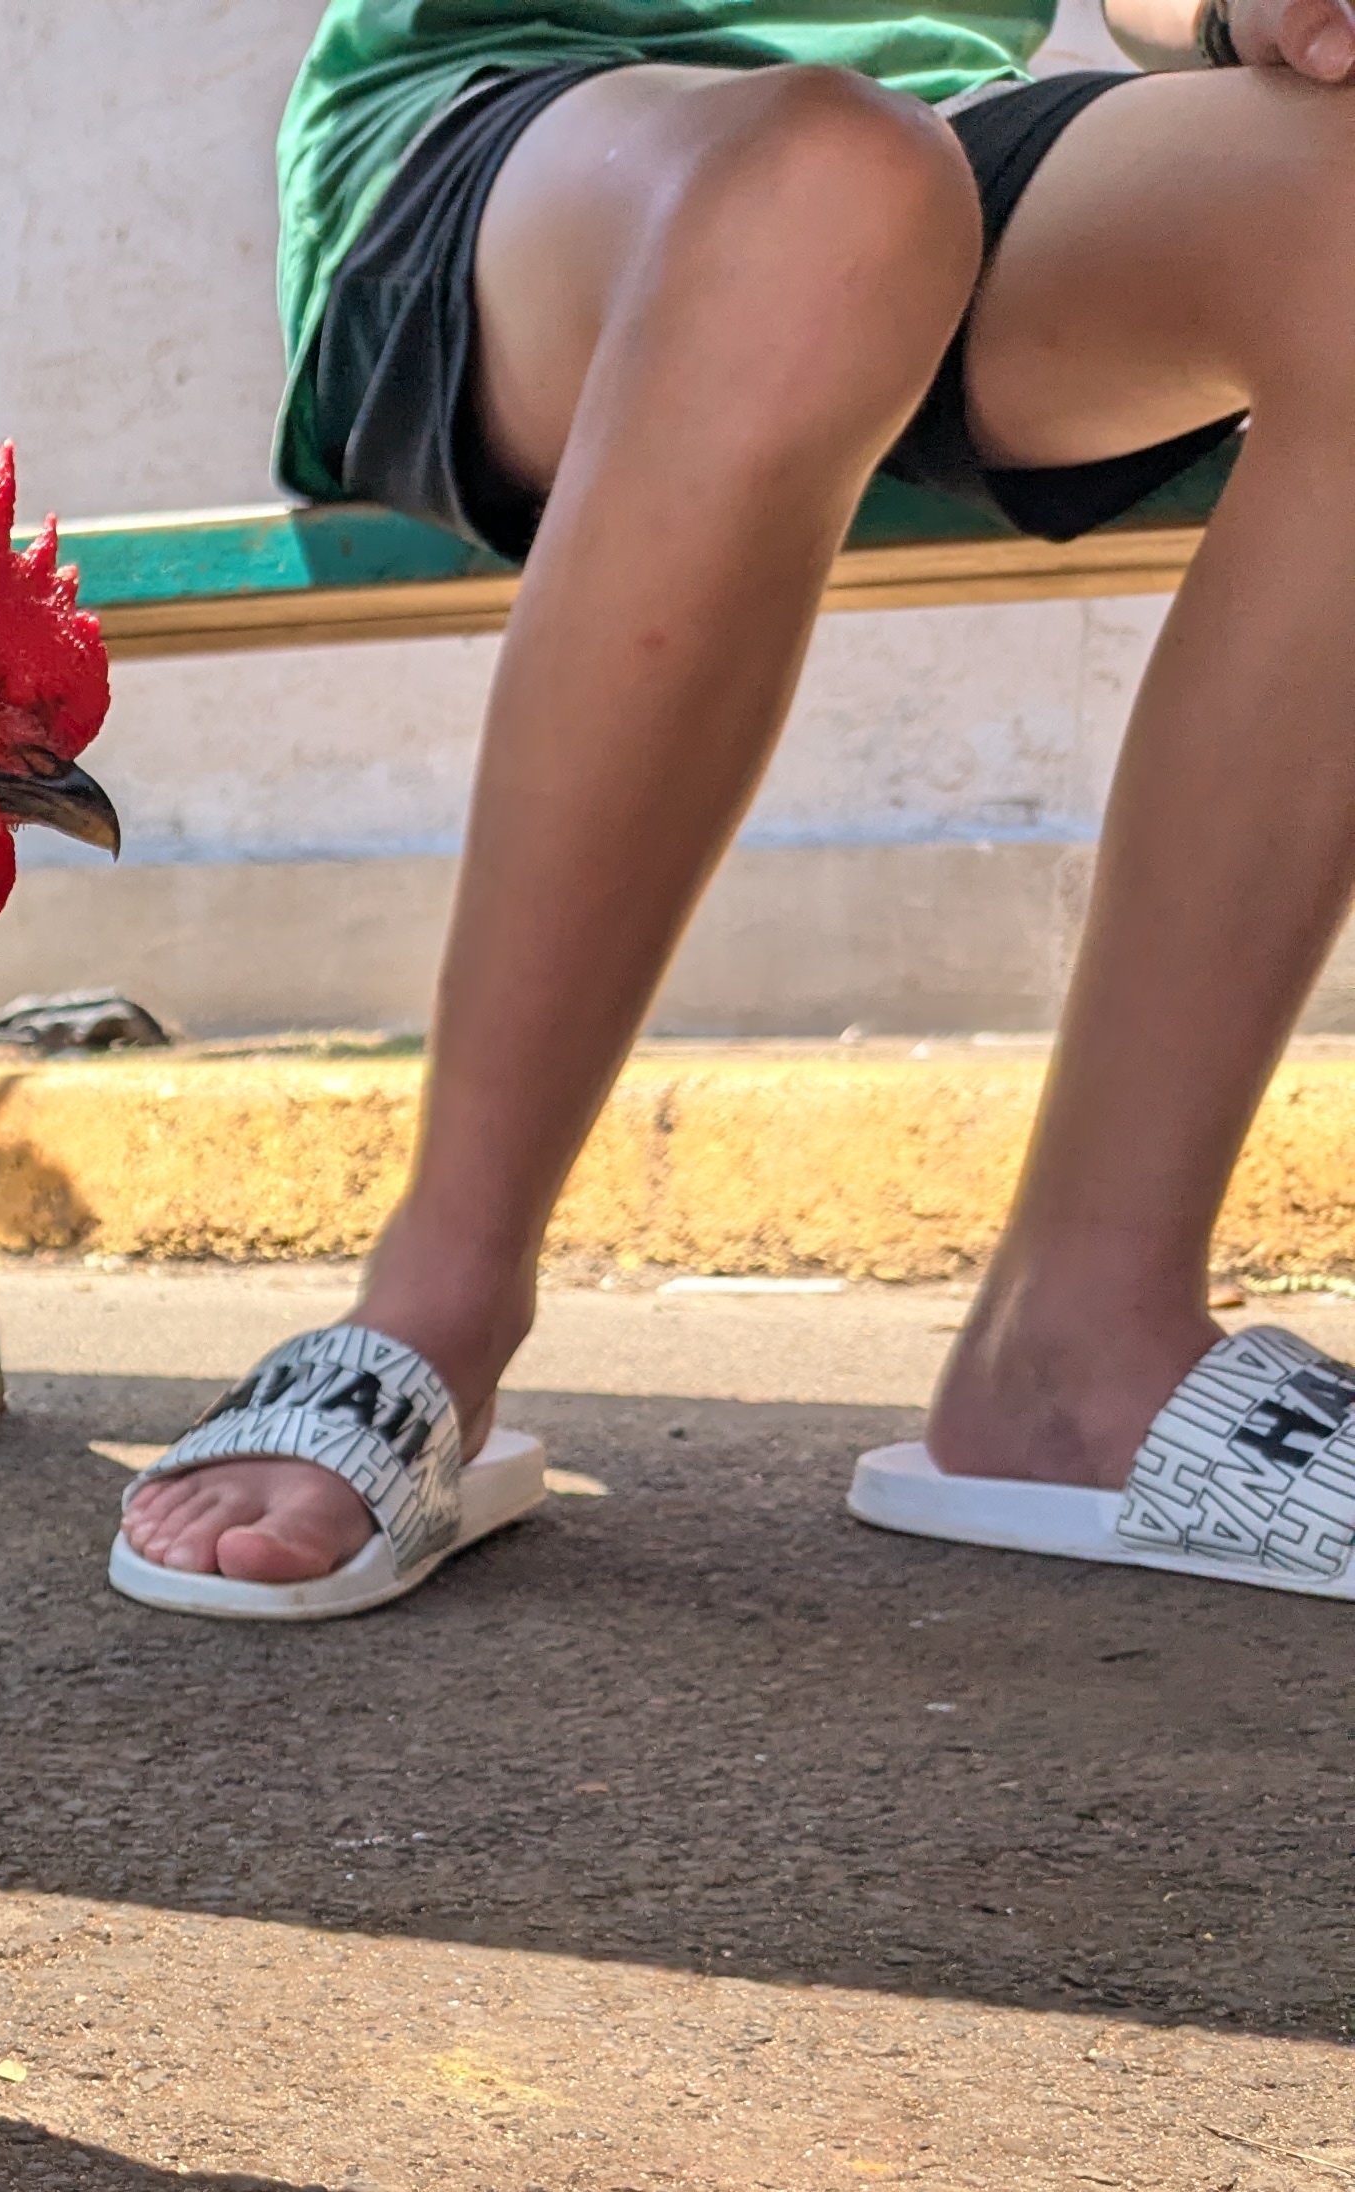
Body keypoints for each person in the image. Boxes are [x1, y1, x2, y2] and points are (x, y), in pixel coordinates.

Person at [109, 0, 1355, 1623]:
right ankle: (435, 1299)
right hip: (507, 144)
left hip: (947, 147)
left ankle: (1080, 1344)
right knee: (824, 188)